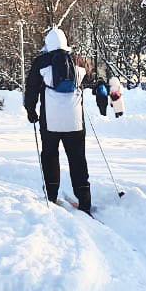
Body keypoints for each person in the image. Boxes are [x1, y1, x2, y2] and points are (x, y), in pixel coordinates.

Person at [24, 26, 92, 213]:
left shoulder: (41, 63)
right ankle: (85, 200)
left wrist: (31, 110)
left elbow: (31, 89)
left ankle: (51, 195)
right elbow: (89, 79)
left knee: (50, 156)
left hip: (51, 122)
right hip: (75, 122)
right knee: (78, 159)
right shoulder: (78, 61)